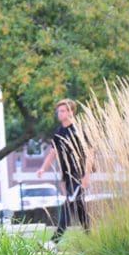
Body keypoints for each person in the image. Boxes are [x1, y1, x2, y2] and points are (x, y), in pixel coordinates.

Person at [36, 98, 93, 244]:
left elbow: (90, 152)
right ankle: (92, 238)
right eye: (58, 111)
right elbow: (53, 152)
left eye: (62, 111)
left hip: (78, 174)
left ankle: (53, 242)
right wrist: (43, 169)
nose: (59, 114)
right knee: (79, 207)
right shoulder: (59, 131)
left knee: (68, 206)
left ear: (71, 112)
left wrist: (86, 176)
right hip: (67, 176)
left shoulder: (79, 129)